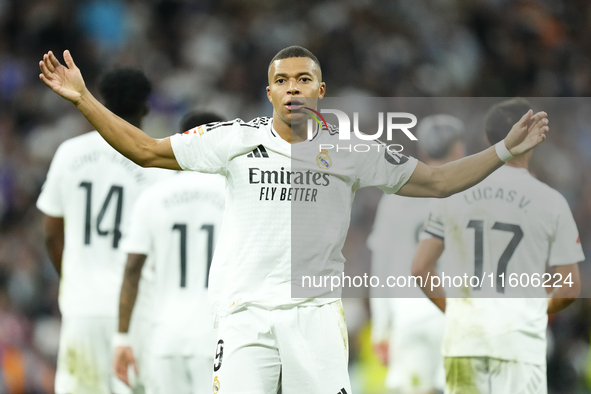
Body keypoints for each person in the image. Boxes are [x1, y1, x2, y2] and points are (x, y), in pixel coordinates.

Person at [39, 46, 549, 394]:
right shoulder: (236, 139)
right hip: (244, 314)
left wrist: (503, 149)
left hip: (316, 315)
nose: (292, 89)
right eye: (281, 81)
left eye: (303, 79)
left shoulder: (352, 152)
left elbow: (438, 182)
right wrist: (84, 98)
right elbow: (147, 150)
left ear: (320, 90)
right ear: (270, 94)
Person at [411, 98, 584, 394]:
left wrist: (454, 312)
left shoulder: (453, 194)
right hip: (519, 341)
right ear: (534, 139)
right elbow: (569, 288)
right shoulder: (552, 202)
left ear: (487, 139)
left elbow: (420, 268)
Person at [36, 68, 165, 394]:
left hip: (82, 309)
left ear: (102, 101)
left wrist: (70, 277)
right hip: (137, 311)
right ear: (146, 108)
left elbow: (51, 231)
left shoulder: (70, 153)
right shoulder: (155, 165)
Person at [113, 111, 226, 393]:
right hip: (218, 338)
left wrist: (122, 338)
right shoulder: (234, 195)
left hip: (164, 338)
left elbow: (131, 269)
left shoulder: (153, 196)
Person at [368, 115, 465, 394]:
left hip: (408, 314)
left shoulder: (396, 195)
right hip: (454, 312)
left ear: (423, 151)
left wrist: (381, 327)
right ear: (458, 149)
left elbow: (381, 267)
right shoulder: (469, 192)